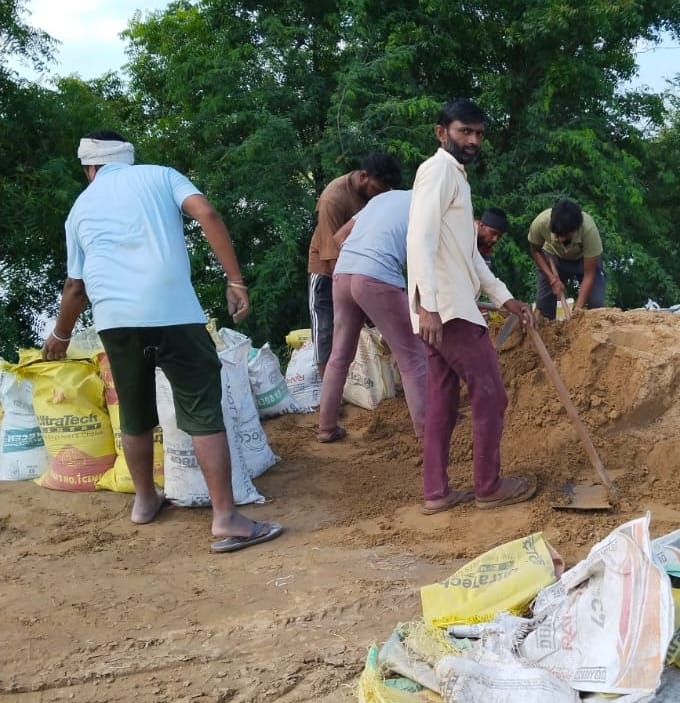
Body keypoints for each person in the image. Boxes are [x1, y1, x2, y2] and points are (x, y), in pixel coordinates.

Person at [41, 130, 283, 553]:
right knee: (203, 412)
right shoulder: (161, 176)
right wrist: (235, 280)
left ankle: (144, 500)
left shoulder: (79, 209)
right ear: (126, 158)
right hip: (175, 315)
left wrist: (60, 335)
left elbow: (75, 287)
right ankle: (225, 518)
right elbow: (206, 212)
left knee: (134, 413)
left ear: (88, 167)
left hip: (116, 322)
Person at [406, 98, 537, 514]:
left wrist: (505, 298)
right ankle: (488, 486)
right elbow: (419, 239)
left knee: (443, 401)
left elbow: (471, 256)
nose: (473, 140)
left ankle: (436, 493)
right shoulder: (438, 171)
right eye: (465, 131)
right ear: (441, 132)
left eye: (479, 133)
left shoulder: (457, 179)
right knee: (491, 395)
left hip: (446, 308)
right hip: (448, 311)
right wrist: (427, 305)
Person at [315, 189, 428, 443]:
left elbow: (340, 235)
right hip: (377, 276)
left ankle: (326, 428)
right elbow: (425, 257)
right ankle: (427, 432)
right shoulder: (428, 202)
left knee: (339, 356)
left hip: (344, 273)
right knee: (413, 356)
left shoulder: (381, 199)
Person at [307, 152, 402, 382]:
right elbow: (331, 253)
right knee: (327, 330)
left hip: (366, 269)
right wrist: (351, 293)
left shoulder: (379, 195)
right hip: (328, 271)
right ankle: (329, 390)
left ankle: (394, 380)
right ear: (363, 176)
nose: (379, 196)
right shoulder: (333, 199)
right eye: (377, 190)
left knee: (390, 322)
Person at [527, 198, 605, 319]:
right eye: (558, 235)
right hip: (553, 257)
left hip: (583, 260)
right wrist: (552, 278)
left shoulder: (589, 229)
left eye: (565, 235)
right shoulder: (540, 223)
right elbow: (536, 251)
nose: (561, 240)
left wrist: (576, 313)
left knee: (597, 303)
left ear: (576, 229)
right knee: (544, 306)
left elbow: (589, 275)